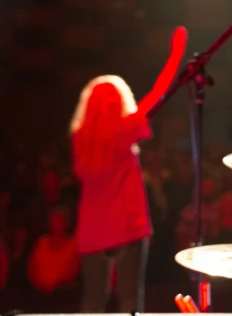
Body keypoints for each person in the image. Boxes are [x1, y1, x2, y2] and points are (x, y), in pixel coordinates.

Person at [70, 26, 187, 312]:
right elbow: (160, 93)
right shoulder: (126, 129)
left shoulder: (80, 136)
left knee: (92, 300)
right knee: (131, 300)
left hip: (92, 230)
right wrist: (176, 54)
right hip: (127, 226)